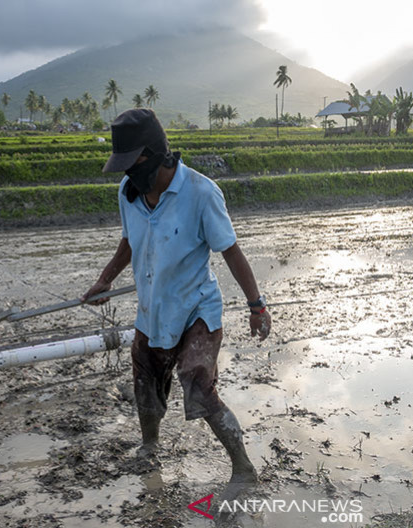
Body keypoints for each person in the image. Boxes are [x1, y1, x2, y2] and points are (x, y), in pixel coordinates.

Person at [82, 109, 271, 500]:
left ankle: (244, 469)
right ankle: (150, 447)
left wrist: (257, 306)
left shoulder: (201, 193)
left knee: (199, 386)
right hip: (153, 309)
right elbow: (130, 241)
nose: (126, 176)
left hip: (196, 310)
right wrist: (105, 279)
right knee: (145, 380)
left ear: (154, 157)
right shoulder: (128, 193)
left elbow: (231, 253)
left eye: (131, 166)